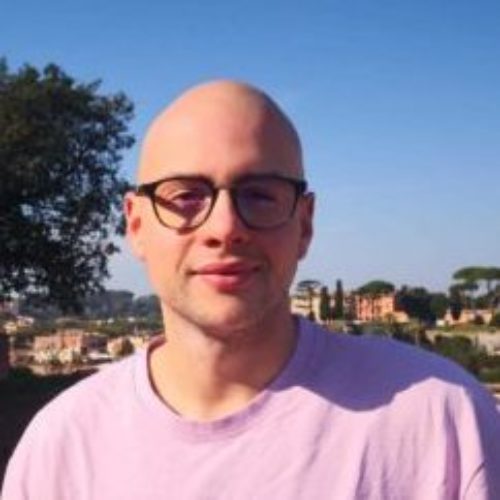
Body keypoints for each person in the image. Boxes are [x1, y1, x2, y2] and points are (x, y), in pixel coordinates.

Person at [2, 80, 500, 499]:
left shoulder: (442, 422)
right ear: (135, 225)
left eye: (259, 194)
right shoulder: (61, 448)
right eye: (186, 196)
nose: (224, 227)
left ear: (305, 224)